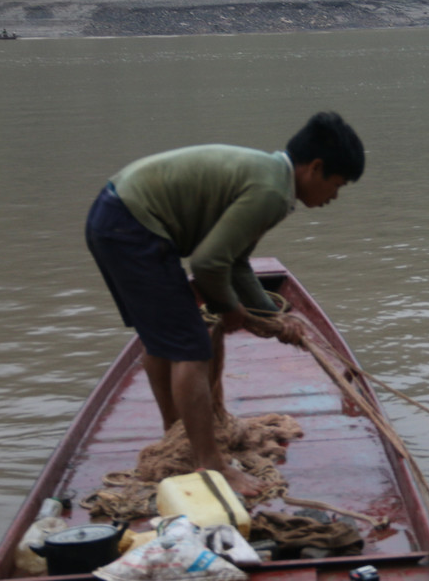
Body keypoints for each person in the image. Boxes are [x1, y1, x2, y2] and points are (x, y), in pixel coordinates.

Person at [85, 112, 364, 496]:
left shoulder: (268, 175)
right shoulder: (272, 193)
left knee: (161, 340)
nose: (333, 197)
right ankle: (210, 464)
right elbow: (207, 264)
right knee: (193, 348)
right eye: (337, 185)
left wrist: (270, 315)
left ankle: (176, 435)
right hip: (134, 227)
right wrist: (235, 311)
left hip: (113, 216)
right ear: (315, 168)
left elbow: (234, 262)